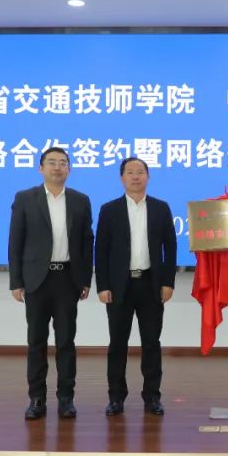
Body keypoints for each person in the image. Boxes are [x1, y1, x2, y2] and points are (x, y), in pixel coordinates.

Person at [8, 147, 94, 420]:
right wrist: (16, 281)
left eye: (63, 163)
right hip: (37, 280)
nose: (58, 167)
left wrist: (85, 279)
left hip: (67, 279)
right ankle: (37, 399)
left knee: (66, 342)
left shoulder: (80, 200)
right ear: (41, 168)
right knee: (36, 342)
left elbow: (86, 242)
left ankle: (66, 399)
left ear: (69, 169)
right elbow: (15, 242)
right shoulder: (25, 198)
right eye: (52, 162)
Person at [95, 157, 177, 416]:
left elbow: (170, 248)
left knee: (151, 343)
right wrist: (102, 286)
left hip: (151, 284)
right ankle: (116, 397)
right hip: (119, 286)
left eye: (140, 172)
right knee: (117, 343)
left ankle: (152, 397)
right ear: (122, 178)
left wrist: (168, 281)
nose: (135, 176)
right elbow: (101, 250)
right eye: (130, 172)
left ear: (148, 177)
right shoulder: (109, 210)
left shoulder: (161, 208)